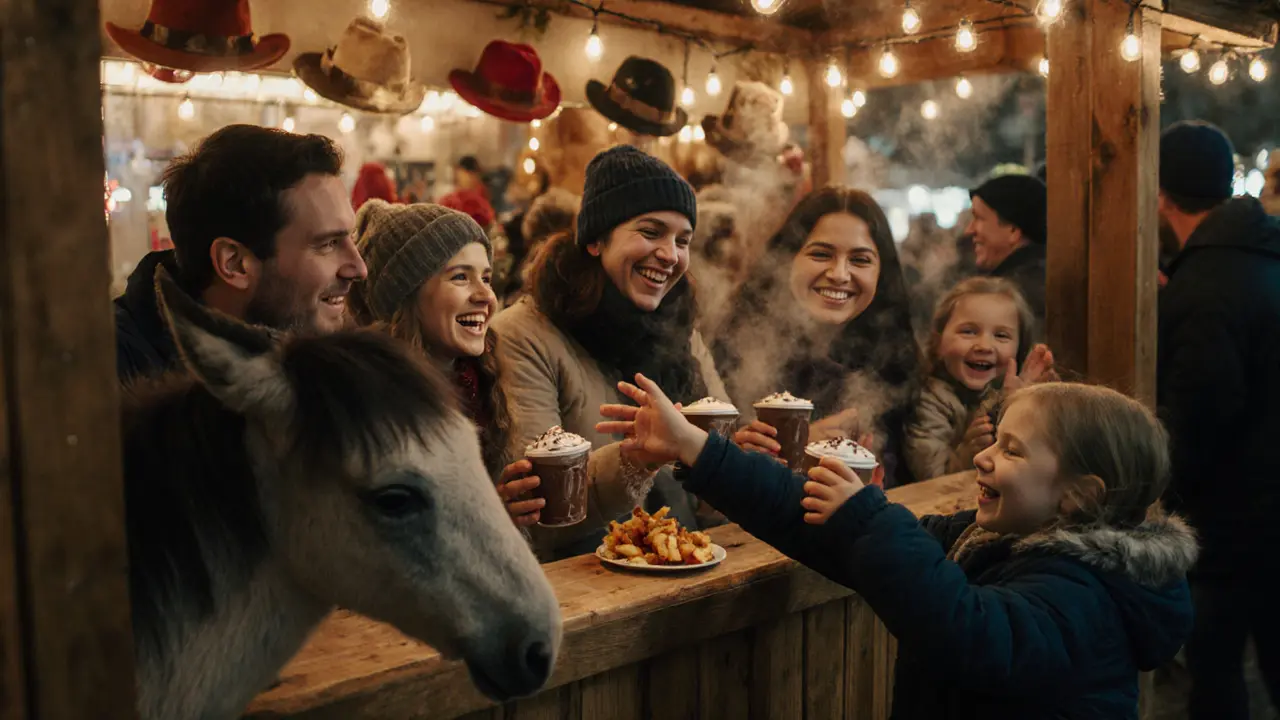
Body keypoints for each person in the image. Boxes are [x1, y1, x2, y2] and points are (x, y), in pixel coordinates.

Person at [599, 376, 1196, 718]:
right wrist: (699, 451)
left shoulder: (1088, 595)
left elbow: (969, 634)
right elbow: (821, 523)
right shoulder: (991, 539)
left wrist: (872, 522)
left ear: (1077, 498)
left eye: (1013, 450)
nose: (984, 456)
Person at [491, 145, 728, 561]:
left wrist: (740, 459)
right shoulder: (522, 334)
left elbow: (714, 497)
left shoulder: (680, 327)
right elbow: (543, 517)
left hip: (689, 569)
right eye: (651, 232)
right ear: (597, 240)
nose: (671, 254)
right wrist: (633, 462)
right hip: (582, 587)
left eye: (683, 240)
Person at [1155, 120, 1280, 718]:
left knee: (1217, 677)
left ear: (1160, 193)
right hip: (1266, 516)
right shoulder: (1262, 254)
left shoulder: (1203, 284)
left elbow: (1199, 417)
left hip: (1231, 526)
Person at [347, 200, 548, 529]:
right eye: (460, 277)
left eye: (486, 277)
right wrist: (490, 517)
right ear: (405, 297)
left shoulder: (481, 383)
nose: (486, 296)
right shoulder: (373, 405)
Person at [115, 125, 366, 383]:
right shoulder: (107, 382)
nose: (359, 268)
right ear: (234, 264)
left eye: (351, 236)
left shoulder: (330, 350)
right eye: (327, 244)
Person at [713, 186, 919, 486]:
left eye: (860, 260)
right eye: (821, 254)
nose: (839, 274)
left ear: (881, 273)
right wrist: (746, 455)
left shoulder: (895, 360)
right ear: (785, 260)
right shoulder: (736, 352)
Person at [904, 277, 1057, 482]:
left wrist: (1036, 404)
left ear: (1019, 349)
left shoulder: (1012, 389)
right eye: (968, 331)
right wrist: (967, 453)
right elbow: (931, 478)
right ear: (938, 341)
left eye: (1001, 335)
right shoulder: (928, 401)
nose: (984, 345)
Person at [964, 174, 1047, 330]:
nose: (969, 230)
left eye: (978, 218)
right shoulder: (1038, 279)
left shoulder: (1015, 296)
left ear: (1013, 230)